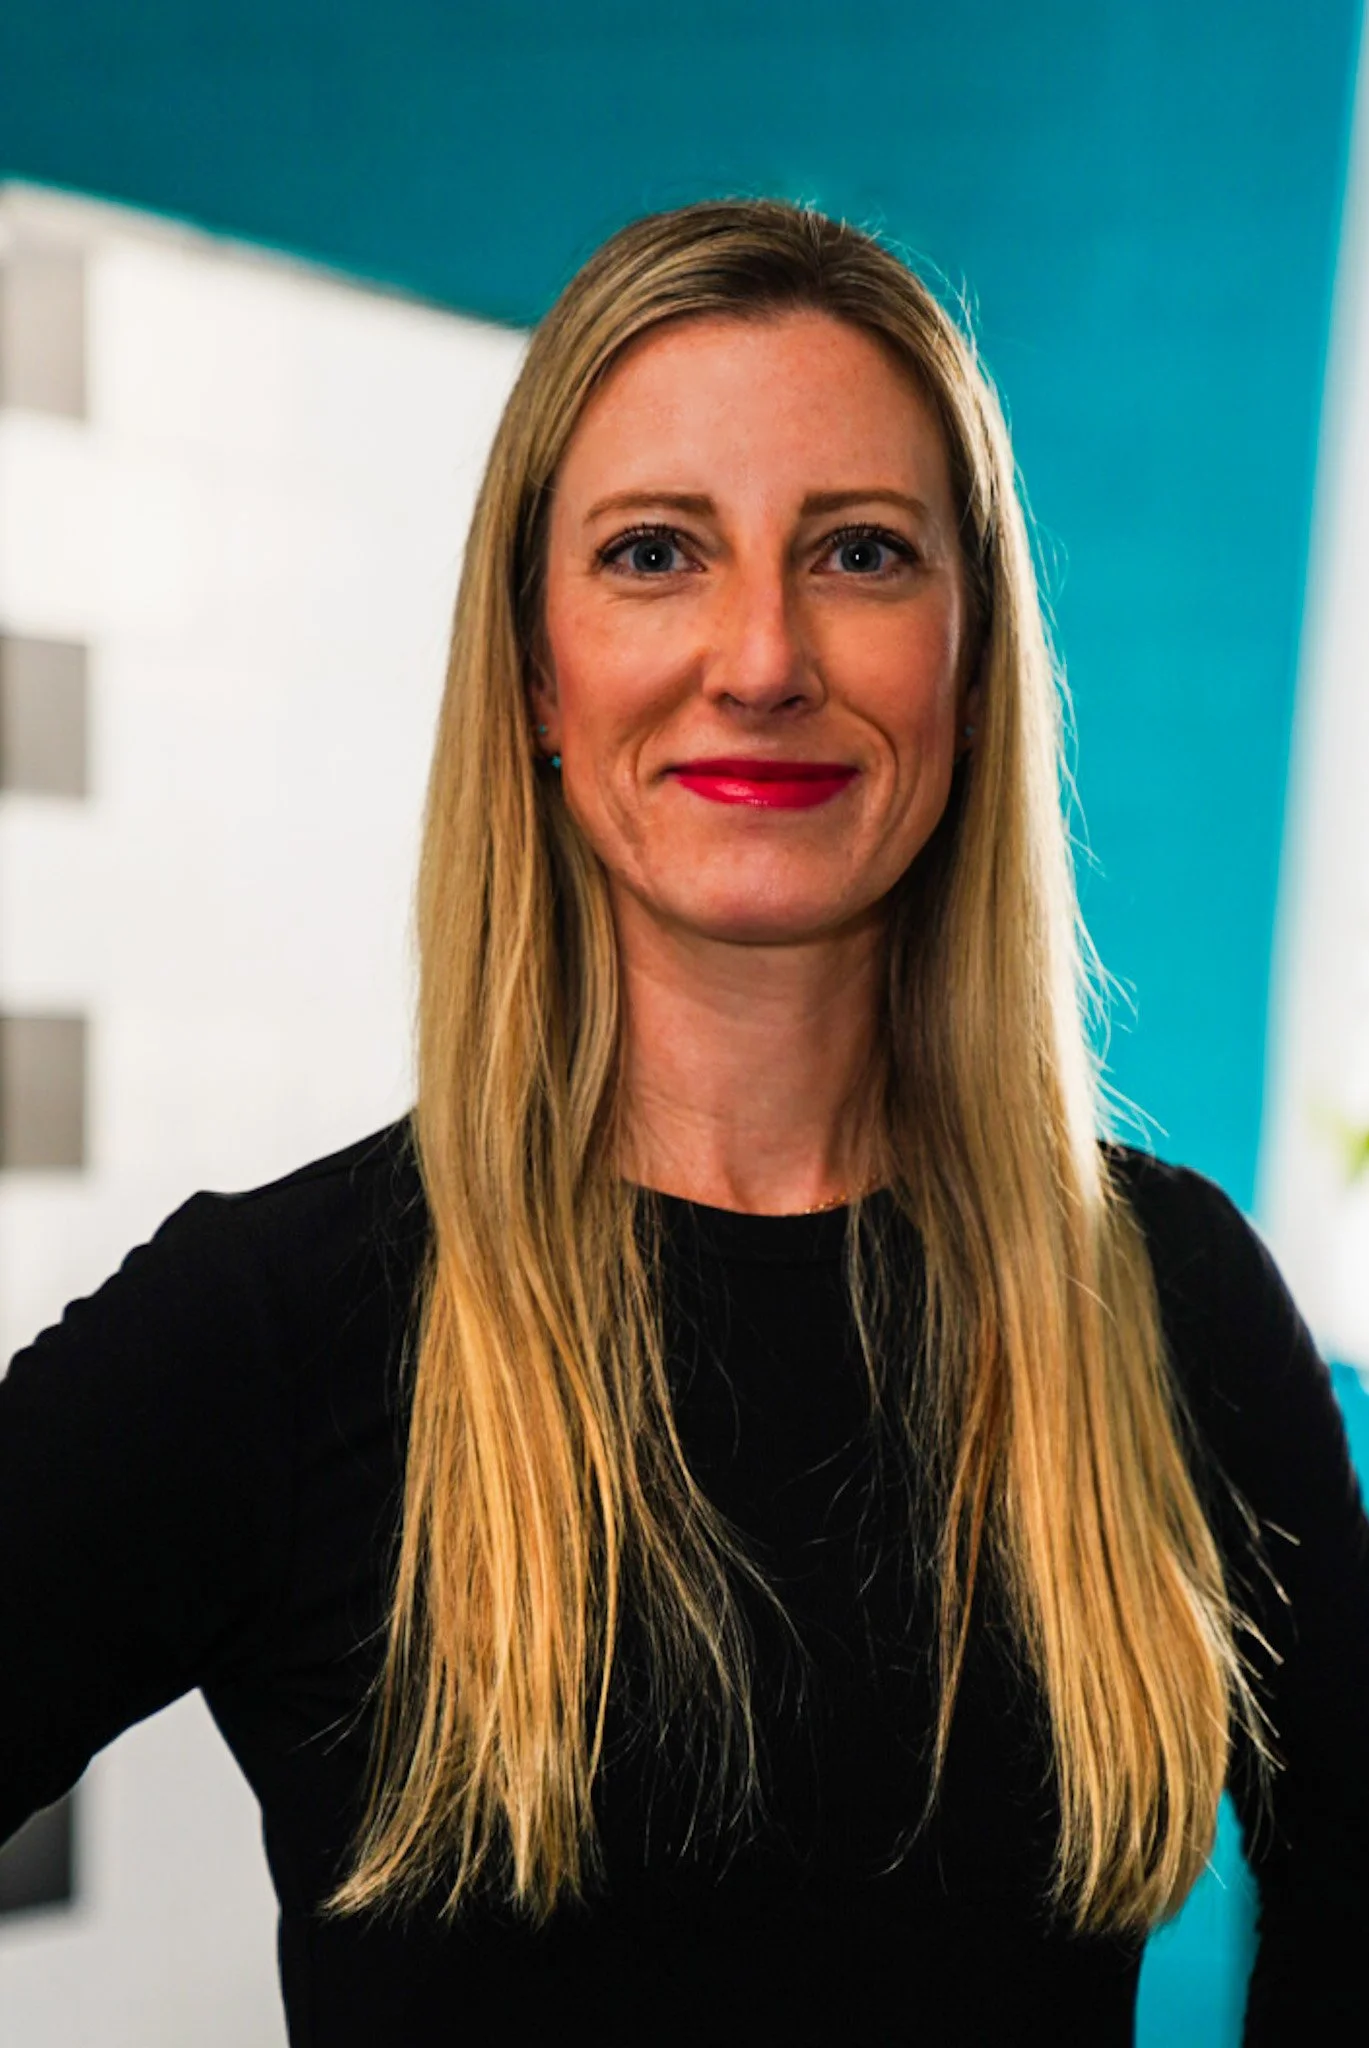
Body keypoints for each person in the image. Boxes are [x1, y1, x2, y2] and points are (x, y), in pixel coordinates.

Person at [2, 198, 1366, 2048]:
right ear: (540, 677)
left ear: (968, 670)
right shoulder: (283, 1327)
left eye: (862, 554)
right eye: (656, 552)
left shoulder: (1170, 1300)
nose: (761, 657)